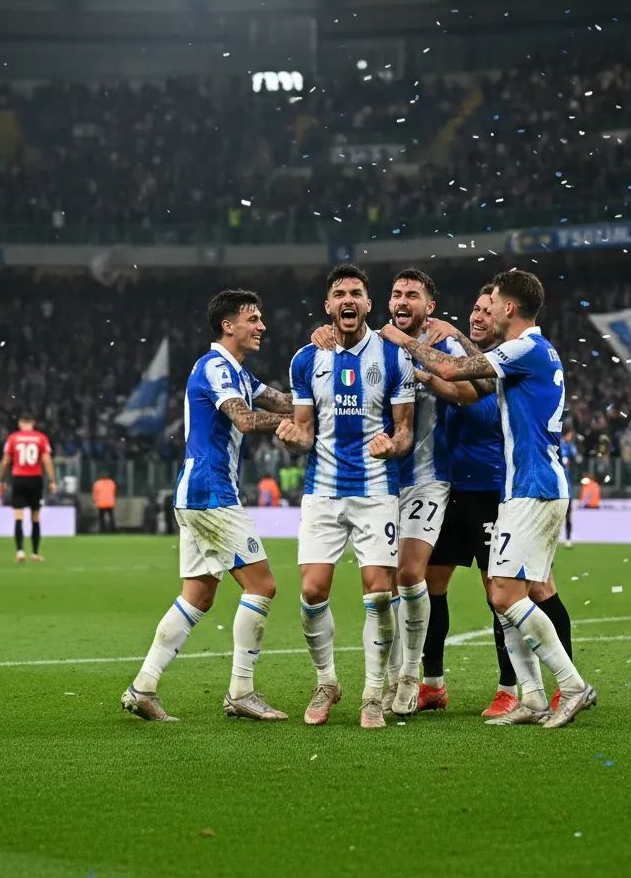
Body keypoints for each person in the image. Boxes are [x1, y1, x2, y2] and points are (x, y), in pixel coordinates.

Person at [381, 269, 596, 729]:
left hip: (529, 488)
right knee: (505, 593)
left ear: (509, 308)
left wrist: (399, 337)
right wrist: (424, 369)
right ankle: (534, 698)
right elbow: (460, 384)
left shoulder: (525, 347)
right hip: (526, 487)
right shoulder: (535, 351)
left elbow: (454, 369)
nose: (487, 310)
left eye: (491, 303)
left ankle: (571, 685)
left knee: (507, 592)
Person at [122, 289, 303, 724]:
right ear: (228, 325)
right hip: (210, 493)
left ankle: (142, 687)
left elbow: (282, 399)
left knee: (198, 594)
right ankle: (241, 691)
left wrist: (324, 400)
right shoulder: (214, 368)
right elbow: (244, 418)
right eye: (253, 319)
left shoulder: (239, 372)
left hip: (199, 493)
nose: (261, 326)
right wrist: (288, 425)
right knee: (262, 585)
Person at [309, 267, 464, 717]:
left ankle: (412, 673)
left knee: (413, 574)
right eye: (397, 293)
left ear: (429, 307)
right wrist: (326, 334)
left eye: (413, 295)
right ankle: (393, 675)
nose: (403, 301)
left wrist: (428, 362)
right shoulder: (376, 341)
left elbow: (475, 388)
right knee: (385, 585)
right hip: (381, 482)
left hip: (428, 476)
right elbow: (343, 344)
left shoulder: (442, 342)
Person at [283, 264, 415, 730]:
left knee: (380, 593)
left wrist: (392, 445)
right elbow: (303, 430)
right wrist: (290, 435)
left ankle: (373, 693)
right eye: (340, 293)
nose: (348, 300)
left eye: (357, 293)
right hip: (322, 490)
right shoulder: (306, 359)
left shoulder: (393, 358)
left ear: (368, 304)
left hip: (377, 491)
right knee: (312, 590)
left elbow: (404, 433)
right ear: (328, 305)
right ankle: (326, 681)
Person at [0, 414, 57, 562]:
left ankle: (19, 552)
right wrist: (52, 480)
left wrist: (2, 480)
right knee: (35, 517)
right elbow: (46, 460)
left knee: (18, 516)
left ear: (20, 423)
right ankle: (35, 554)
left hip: (18, 478)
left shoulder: (13, 438)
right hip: (35, 479)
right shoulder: (41, 438)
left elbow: (6, 461)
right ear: (33, 423)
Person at [560, 428, 579, 548]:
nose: (571, 437)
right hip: (558, 489)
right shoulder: (558, 445)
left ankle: (568, 538)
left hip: (567, 488)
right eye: (570, 435)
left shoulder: (569, 446)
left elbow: (577, 457)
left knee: (568, 515)